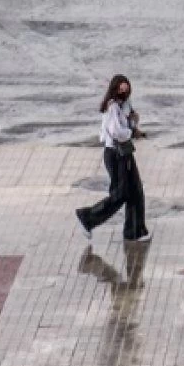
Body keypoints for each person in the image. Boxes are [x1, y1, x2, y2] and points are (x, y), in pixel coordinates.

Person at [76, 74, 150, 243]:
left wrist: (134, 123)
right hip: (116, 154)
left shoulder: (125, 105)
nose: (124, 93)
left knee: (135, 191)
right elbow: (116, 132)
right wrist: (131, 132)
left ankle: (135, 231)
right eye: (121, 90)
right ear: (114, 90)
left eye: (127, 89)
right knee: (121, 193)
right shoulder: (112, 107)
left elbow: (128, 124)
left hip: (125, 152)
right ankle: (87, 217)